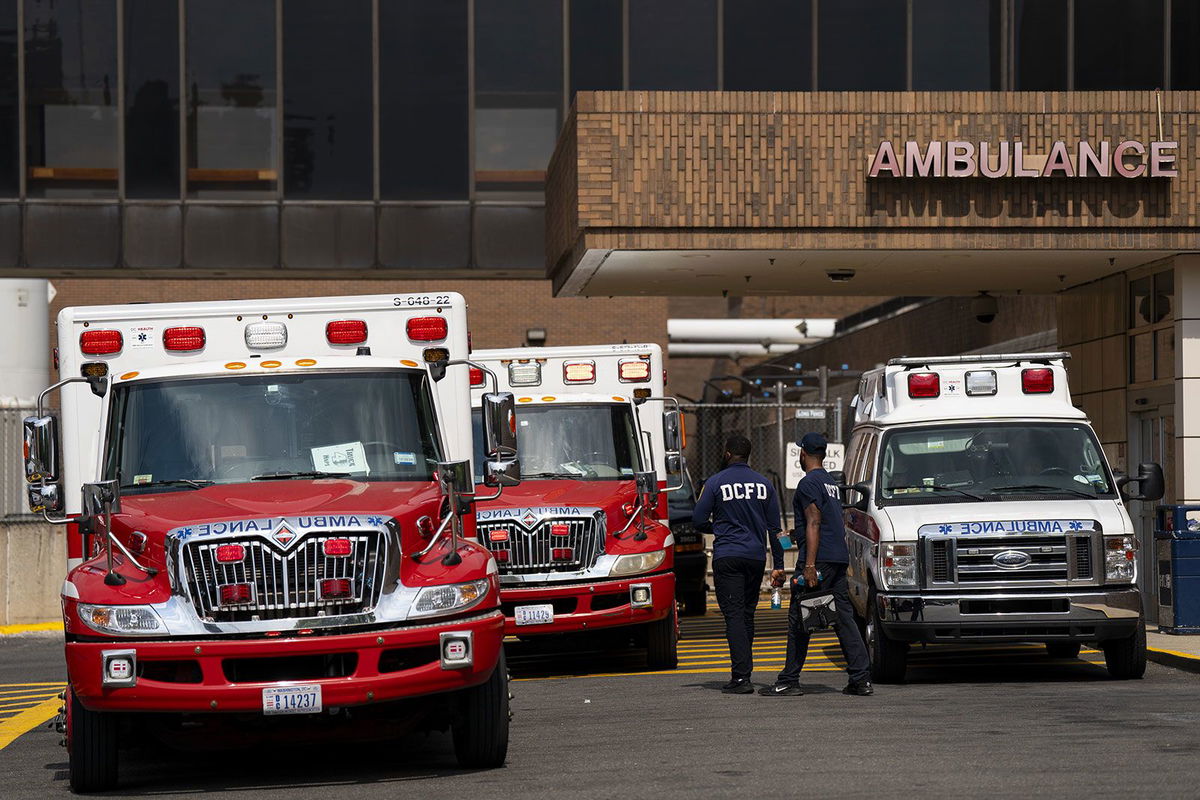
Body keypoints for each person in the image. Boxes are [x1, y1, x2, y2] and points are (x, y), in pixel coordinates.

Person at [760, 432, 873, 697]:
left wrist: (809, 565)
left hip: (819, 560)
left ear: (803, 454)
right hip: (836, 557)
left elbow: (814, 521)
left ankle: (789, 679)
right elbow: (824, 521)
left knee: (799, 618)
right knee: (844, 618)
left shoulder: (808, 484)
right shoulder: (829, 482)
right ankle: (860, 678)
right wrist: (794, 536)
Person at [692, 434, 785, 694]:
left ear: (727, 453)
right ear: (749, 455)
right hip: (755, 557)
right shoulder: (765, 485)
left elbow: (698, 519)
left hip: (728, 556)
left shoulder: (715, 483)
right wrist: (778, 565)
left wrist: (718, 528)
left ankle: (741, 677)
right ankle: (745, 670)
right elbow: (776, 531)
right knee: (746, 614)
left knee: (733, 615)